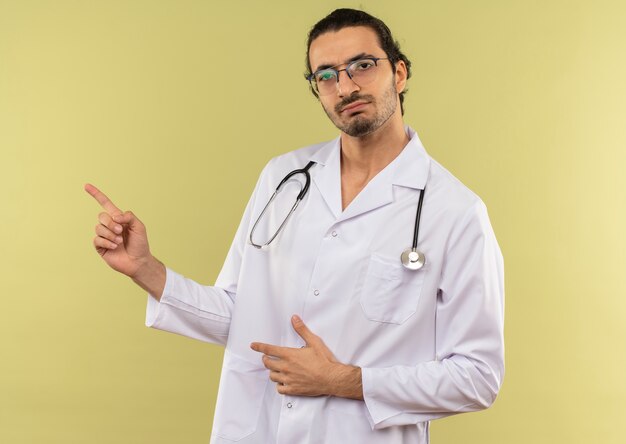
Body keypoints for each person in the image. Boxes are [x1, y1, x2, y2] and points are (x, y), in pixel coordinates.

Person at [86, 8, 504, 444]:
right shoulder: (283, 178)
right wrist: (147, 270)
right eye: (325, 75)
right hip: (257, 430)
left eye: (362, 65)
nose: (345, 86)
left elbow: (478, 376)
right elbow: (244, 316)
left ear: (399, 73)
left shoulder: (454, 211)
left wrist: (346, 380)